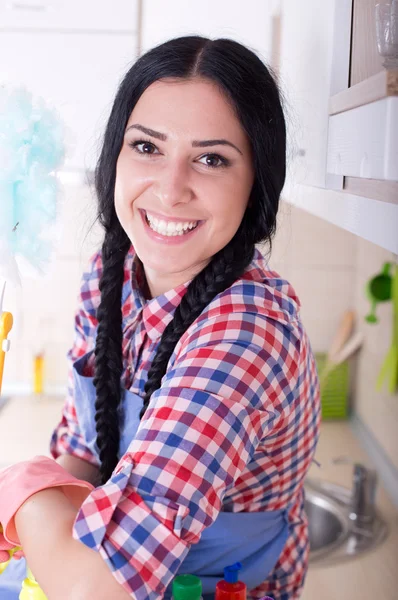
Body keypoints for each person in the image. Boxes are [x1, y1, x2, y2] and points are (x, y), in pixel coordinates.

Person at [0, 35, 320, 600]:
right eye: (147, 147)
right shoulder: (113, 272)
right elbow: (84, 456)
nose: (171, 191)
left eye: (211, 158)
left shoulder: (245, 332)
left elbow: (98, 590)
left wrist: (22, 489)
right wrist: (43, 519)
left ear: (256, 185)